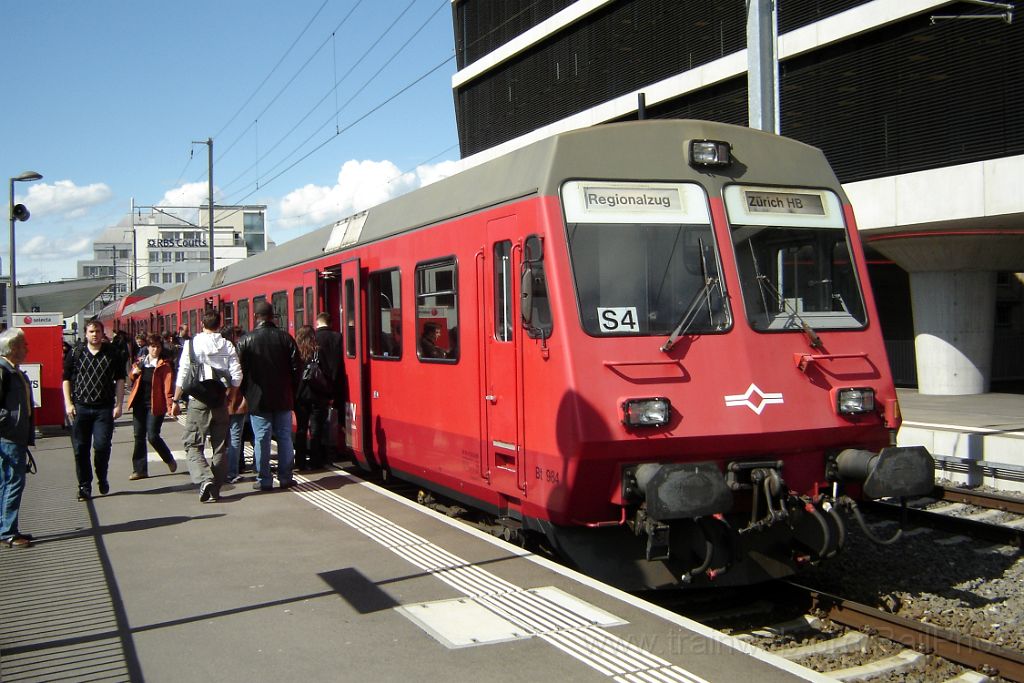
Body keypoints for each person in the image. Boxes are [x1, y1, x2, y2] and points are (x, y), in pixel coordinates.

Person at [169, 310, 241, 503]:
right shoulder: (227, 345)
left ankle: (204, 479)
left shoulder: (192, 344)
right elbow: (236, 376)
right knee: (220, 447)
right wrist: (230, 397)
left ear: (202, 323)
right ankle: (215, 489)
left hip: (198, 401)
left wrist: (175, 400)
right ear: (219, 324)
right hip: (220, 401)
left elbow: (183, 374)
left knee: (192, 443)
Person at [236, 301, 300, 491]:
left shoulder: (246, 340)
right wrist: (291, 390)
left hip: (258, 400)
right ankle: (286, 477)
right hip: (283, 398)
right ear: (273, 317)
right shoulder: (286, 339)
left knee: (262, 439)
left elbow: (239, 371)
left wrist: (246, 393)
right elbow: (297, 369)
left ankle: (264, 479)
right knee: (285, 437)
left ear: (256, 317)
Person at [63, 319, 126, 501]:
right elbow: (66, 379)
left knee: (101, 446)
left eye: (97, 331)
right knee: (80, 449)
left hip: (103, 409)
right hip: (81, 408)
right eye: (91, 331)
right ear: (86, 333)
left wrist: (119, 404)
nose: (94, 335)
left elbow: (120, 379)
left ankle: (102, 475)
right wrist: (68, 403)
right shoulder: (76, 353)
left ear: (102, 333)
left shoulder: (112, 353)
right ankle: (84, 486)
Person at [126, 334, 178, 479]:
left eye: (157, 347)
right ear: (147, 348)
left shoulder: (164, 365)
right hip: (139, 404)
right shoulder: (141, 362)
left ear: (161, 348)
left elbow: (168, 388)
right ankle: (140, 470)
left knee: (153, 436)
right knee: (138, 436)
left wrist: (170, 406)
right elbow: (131, 377)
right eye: (152, 347)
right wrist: (133, 373)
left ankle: (168, 459)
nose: (155, 350)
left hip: (156, 405)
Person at [0, 329, 34, 548]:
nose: (26, 349)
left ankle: (6, 528)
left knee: (7, 482)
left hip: (13, 435)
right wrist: (10, 424)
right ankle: (8, 532)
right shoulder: (3, 372)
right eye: (23, 345)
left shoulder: (13, 370)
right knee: (14, 482)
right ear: (12, 348)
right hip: (9, 437)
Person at [294, 325, 329, 471]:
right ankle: (316, 460)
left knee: (301, 429)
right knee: (316, 430)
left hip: (301, 396)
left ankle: (300, 461)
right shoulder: (318, 351)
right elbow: (326, 371)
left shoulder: (296, 352)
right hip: (317, 395)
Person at [314, 312, 344, 464]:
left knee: (319, 422)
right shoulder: (338, 337)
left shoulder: (314, 338)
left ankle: (321, 453)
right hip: (336, 383)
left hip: (319, 385)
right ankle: (334, 449)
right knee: (334, 418)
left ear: (317, 322)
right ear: (330, 323)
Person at [222, 326, 249, 483]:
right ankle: (233, 471)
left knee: (222, 438)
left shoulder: (216, 355)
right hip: (238, 401)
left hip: (221, 402)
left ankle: (223, 469)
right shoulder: (238, 354)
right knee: (235, 438)